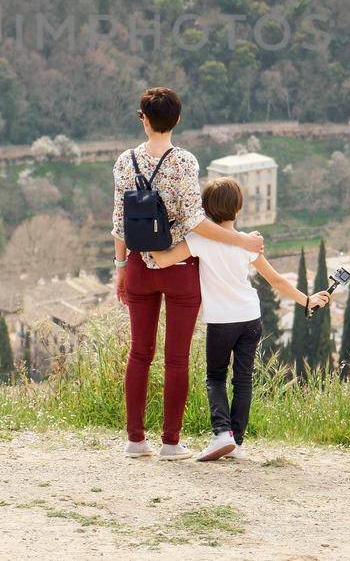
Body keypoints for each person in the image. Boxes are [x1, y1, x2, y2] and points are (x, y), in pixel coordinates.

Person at [112, 87, 263, 460]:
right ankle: (171, 443)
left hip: (138, 266)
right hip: (179, 268)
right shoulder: (185, 162)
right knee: (176, 358)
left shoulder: (124, 162)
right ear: (176, 120)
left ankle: (135, 440)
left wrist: (120, 268)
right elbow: (195, 221)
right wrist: (239, 240)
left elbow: (118, 223)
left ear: (144, 119)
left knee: (139, 353)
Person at [150, 177, 328, 461]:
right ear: (239, 208)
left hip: (222, 321)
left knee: (215, 377)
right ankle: (238, 442)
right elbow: (276, 280)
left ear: (205, 209)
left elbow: (162, 260)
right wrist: (306, 300)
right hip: (250, 317)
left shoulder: (200, 240)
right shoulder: (249, 243)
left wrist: (146, 238)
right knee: (243, 380)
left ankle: (222, 434)